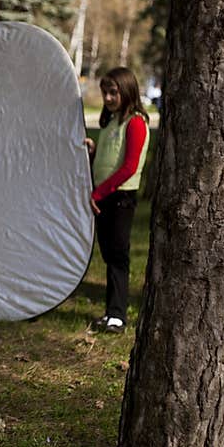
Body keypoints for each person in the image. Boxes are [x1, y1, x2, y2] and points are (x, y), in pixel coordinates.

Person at [84, 67, 150, 335]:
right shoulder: (112, 122)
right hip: (105, 198)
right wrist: (94, 151)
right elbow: (111, 158)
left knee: (118, 257)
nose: (109, 98)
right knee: (109, 254)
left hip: (119, 199)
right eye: (105, 93)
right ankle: (111, 312)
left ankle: (118, 316)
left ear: (127, 91)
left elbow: (129, 167)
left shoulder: (135, 122)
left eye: (114, 92)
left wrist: (97, 194)